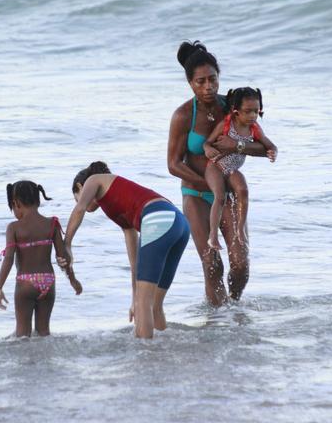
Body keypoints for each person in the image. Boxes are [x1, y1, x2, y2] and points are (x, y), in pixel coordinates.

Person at [167, 40, 267, 306]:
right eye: (200, 81)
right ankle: (216, 324)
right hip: (196, 195)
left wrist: (238, 145)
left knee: (240, 264)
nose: (208, 86)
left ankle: (232, 308)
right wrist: (209, 186)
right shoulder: (183, 115)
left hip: (229, 194)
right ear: (190, 83)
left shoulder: (231, 107)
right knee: (212, 265)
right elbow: (173, 164)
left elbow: (263, 147)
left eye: (213, 79)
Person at [59, 161, 190, 339]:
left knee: (145, 302)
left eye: (77, 196)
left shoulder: (94, 180)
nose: (80, 201)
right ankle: (163, 353)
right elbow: (135, 263)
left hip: (158, 219)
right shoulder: (118, 207)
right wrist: (134, 299)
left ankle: (145, 358)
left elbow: (80, 209)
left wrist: (66, 244)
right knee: (154, 305)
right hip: (179, 224)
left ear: (79, 186)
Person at [0, 180, 82, 337]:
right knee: (44, 333)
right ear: (38, 200)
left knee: (22, 335)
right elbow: (63, 257)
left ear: (16, 203)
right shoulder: (52, 224)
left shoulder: (14, 228)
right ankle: (45, 361)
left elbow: (8, 259)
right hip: (48, 282)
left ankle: (26, 361)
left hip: (25, 283)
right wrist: (73, 280)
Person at [203, 87, 277, 250]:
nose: (252, 115)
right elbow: (207, 143)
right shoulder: (226, 124)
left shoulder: (254, 128)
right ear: (236, 111)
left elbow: (269, 145)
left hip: (232, 169)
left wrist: (272, 152)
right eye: (248, 111)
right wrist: (208, 149)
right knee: (220, 196)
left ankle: (240, 229)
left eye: (256, 111)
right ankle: (213, 236)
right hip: (216, 165)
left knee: (243, 190)